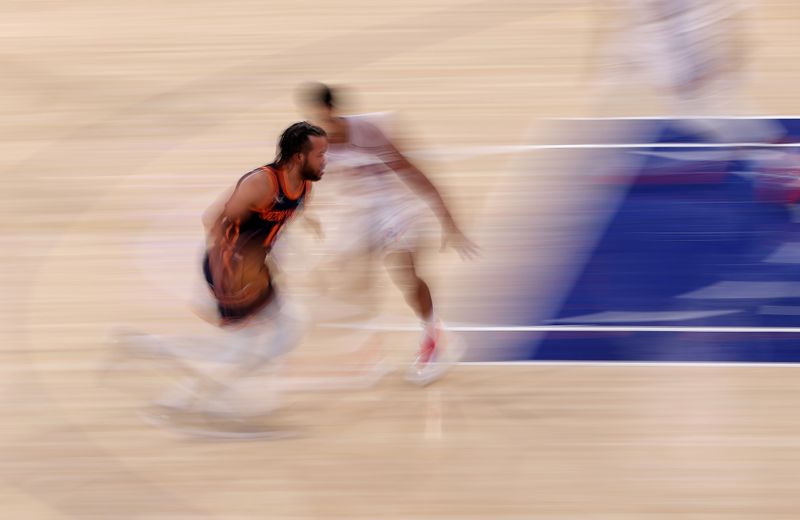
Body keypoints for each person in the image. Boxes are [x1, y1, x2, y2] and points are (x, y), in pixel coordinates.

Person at [123, 121, 328, 423]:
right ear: (299, 157)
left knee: (279, 334)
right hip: (228, 271)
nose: (325, 161)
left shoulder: (304, 185)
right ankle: (168, 369)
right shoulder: (262, 183)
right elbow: (213, 221)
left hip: (256, 271)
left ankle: (174, 377)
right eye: (320, 155)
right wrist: (227, 277)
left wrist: (303, 231)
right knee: (247, 345)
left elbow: (280, 221)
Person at [298, 82, 477, 385]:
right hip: (357, 210)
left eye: (323, 116)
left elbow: (414, 173)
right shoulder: (313, 143)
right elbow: (302, 182)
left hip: (394, 205)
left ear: (333, 110)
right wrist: (301, 212)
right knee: (352, 282)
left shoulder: (370, 131)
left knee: (405, 271)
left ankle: (435, 337)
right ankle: (372, 349)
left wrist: (448, 218)